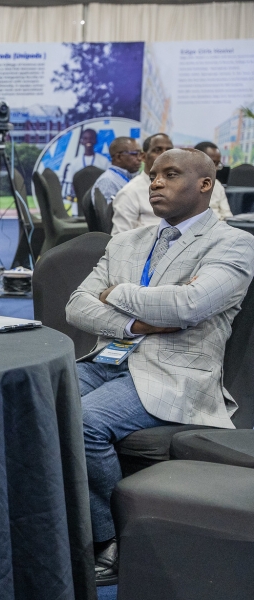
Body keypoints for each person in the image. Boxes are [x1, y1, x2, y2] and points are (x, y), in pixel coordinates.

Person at [66, 148, 254, 587]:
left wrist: (115, 292)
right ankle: (59, 523)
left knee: (84, 420)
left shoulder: (234, 243)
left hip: (176, 372)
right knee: (37, 398)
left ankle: (111, 539)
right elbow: (76, 305)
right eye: (153, 175)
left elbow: (189, 305)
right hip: (109, 357)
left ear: (205, 184)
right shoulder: (126, 241)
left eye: (170, 174)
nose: (155, 182)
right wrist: (135, 322)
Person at [89, 137, 142, 204]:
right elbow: (107, 210)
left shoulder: (135, 177)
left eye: (140, 154)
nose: (140, 158)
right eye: (134, 154)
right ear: (118, 157)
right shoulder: (107, 181)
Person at [194, 141, 233, 220]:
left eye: (217, 164)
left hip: (219, 225)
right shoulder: (184, 184)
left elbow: (227, 215)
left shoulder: (217, 185)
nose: (215, 168)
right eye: (211, 163)